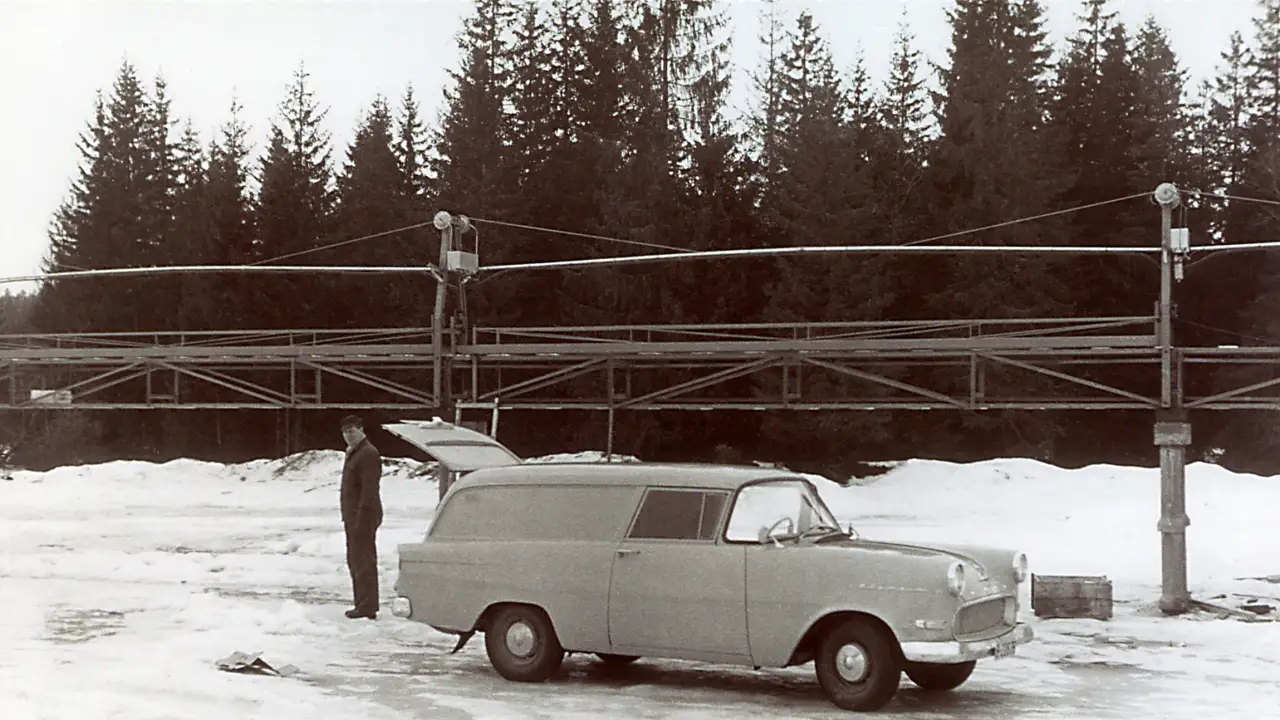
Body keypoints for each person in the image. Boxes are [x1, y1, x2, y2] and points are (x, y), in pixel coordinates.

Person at [340, 414, 383, 619]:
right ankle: (362, 603)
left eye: (351, 431)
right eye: (345, 432)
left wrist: (362, 518)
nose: (348, 435)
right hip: (354, 515)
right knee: (356, 560)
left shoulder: (367, 453)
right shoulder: (355, 452)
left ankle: (367, 605)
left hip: (362, 515)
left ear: (361, 430)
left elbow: (369, 490)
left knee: (363, 560)